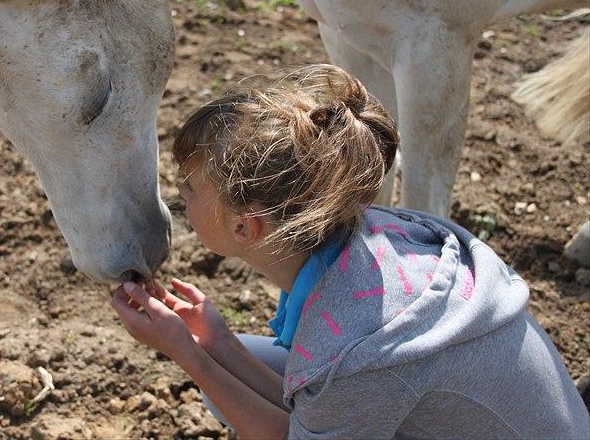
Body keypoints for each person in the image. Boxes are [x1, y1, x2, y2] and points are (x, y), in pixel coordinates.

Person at [111, 64, 589, 439]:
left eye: (190, 188)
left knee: (225, 383)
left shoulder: (360, 349)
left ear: (245, 227)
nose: (179, 197)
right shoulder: (369, 235)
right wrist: (213, 342)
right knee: (230, 379)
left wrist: (183, 352)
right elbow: (310, 410)